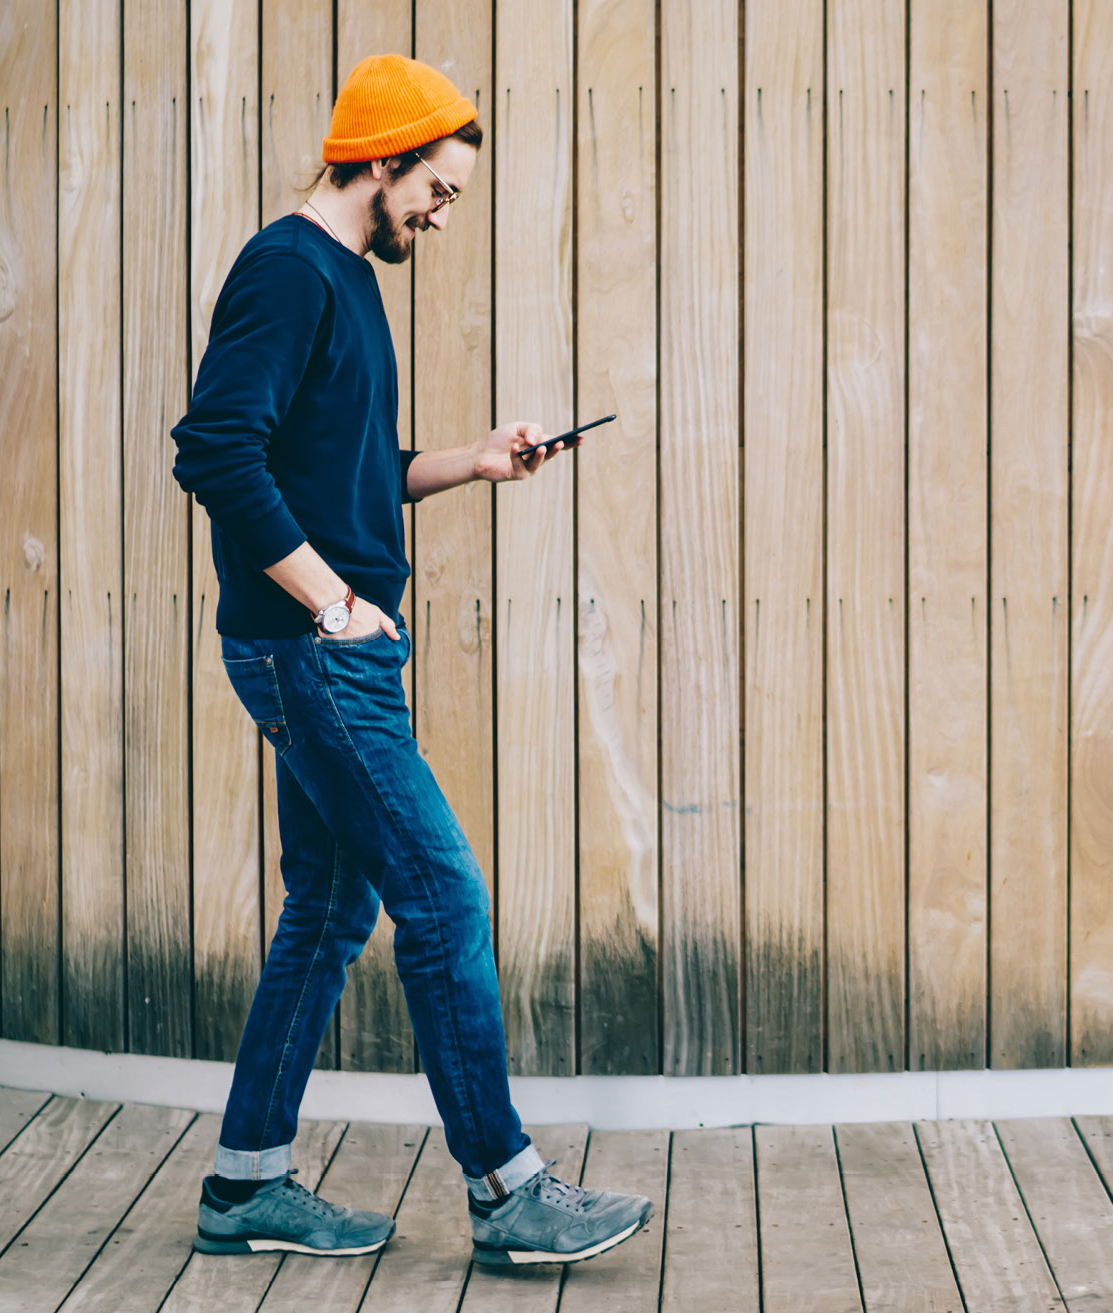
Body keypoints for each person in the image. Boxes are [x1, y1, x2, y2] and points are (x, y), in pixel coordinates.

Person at [169, 53, 650, 1269]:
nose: (441, 212)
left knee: (331, 909)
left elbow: (345, 473)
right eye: (434, 187)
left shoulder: (348, 280)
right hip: (314, 652)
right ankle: (508, 1191)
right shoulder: (289, 271)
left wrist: (474, 461)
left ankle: (246, 1185)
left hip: (329, 650)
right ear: (378, 159)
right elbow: (216, 455)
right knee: (443, 897)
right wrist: (335, 607)